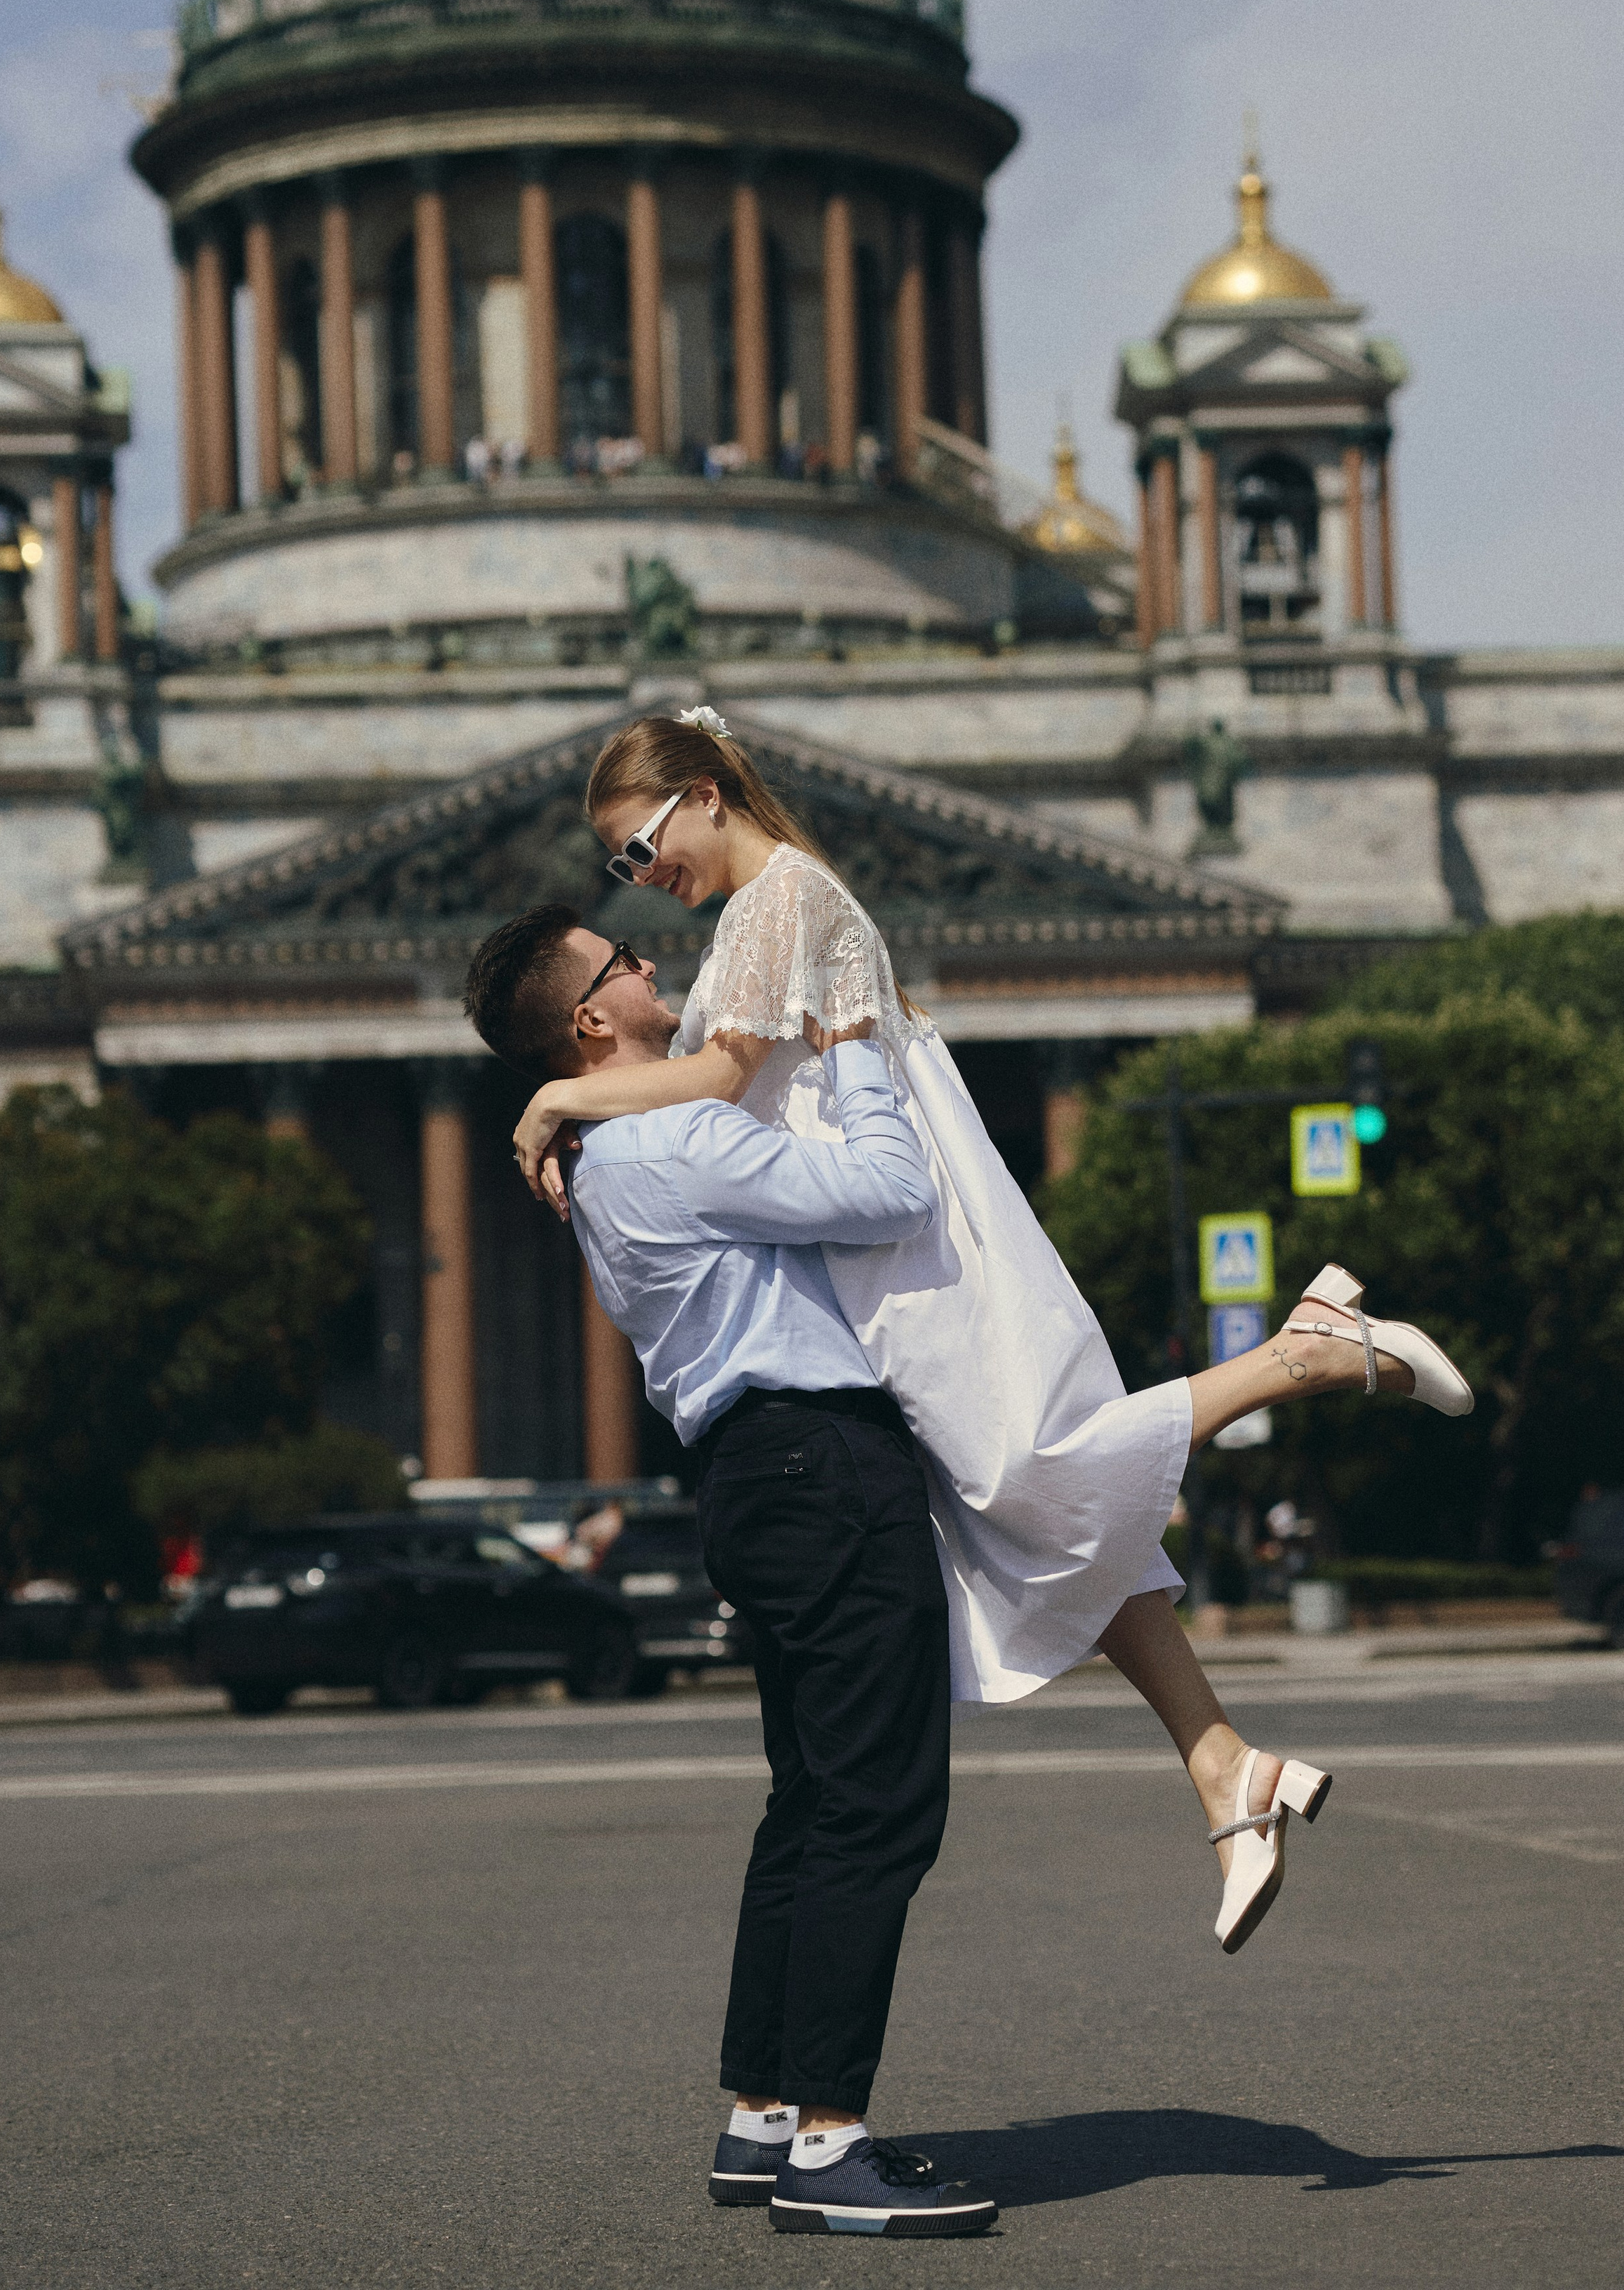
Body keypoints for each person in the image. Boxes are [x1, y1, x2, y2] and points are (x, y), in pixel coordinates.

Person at [506, 708, 1475, 1942]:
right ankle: (1224, 1767)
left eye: (640, 850)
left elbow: (716, 1080)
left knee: (1031, 1468)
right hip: (865, 1245)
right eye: (623, 870)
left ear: (701, 794)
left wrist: (558, 1096)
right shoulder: (762, 912)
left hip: (907, 1240)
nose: (644, 884)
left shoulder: (778, 900)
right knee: (1022, 1505)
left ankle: (1311, 1351)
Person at [464, 905, 999, 2237]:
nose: (653, 965)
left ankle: (764, 2115)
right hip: (825, 1465)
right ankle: (829, 2146)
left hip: (751, 1480)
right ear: (593, 1019)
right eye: (625, 963)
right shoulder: (672, 1134)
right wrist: (857, 1043)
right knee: (879, 1810)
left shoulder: (601, 1154)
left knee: (809, 1807)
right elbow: (893, 1191)